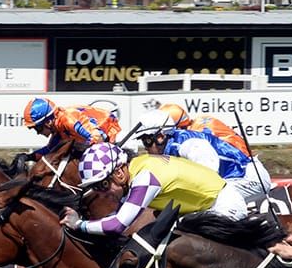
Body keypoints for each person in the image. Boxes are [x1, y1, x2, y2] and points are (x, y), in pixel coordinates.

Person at [59, 142, 249, 236]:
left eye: (102, 185)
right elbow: (114, 217)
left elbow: (117, 224)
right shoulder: (136, 169)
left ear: (119, 173)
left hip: (224, 206)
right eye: (96, 188)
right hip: (206, 208)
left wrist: (79, 225)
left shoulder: (145, 177)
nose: (102, 194)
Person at [128, 109, 273, 200]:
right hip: (232, 177)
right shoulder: (170, 145)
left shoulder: (188, 145)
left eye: (147, 141)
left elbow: (209, 181)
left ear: (161, 137)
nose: (146, 148)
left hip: (249, 177)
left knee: (204, 205)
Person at [22, 97, 121, 158]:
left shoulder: (68, 120)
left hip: (110, 132)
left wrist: (77, 149)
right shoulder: (58, 127)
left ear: (48, 122)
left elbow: (99, 138)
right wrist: (28, 157)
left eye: (37, 128)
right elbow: (50, 151)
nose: (38, 133)